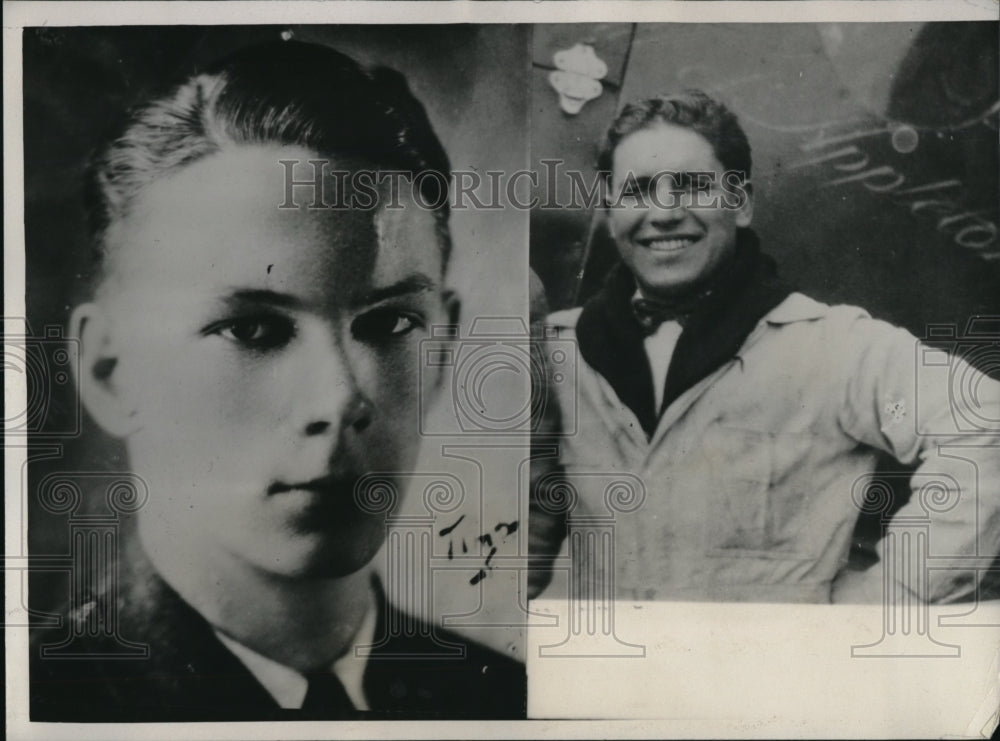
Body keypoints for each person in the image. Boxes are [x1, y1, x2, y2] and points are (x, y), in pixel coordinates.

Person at [30, 38, 525, 721]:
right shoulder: (42, 706)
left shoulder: (509, 703)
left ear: (443, 346)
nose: (341, 397)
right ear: (110, 371)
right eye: (253, 330)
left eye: (389, 325)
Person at [531, 89, 1000, 604]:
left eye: (692, 187)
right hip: (606, 674)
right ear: (610, 211)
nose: (663, 212)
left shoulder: (833, 348)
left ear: (742, 203)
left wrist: (889, 601)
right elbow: (511, 538)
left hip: (768, 677)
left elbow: (983, 420)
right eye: (638, 191)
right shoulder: (557, 352)